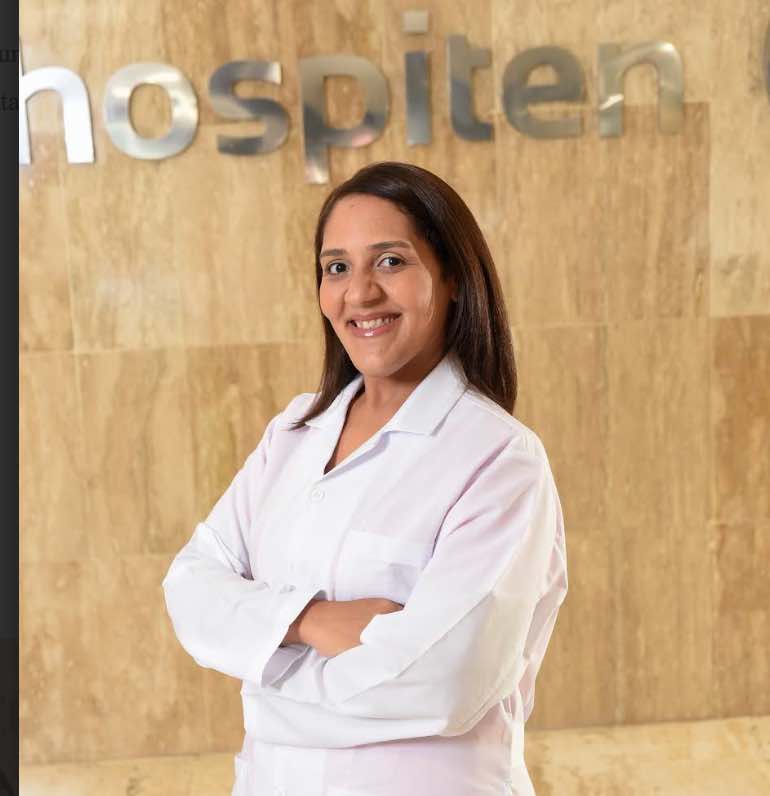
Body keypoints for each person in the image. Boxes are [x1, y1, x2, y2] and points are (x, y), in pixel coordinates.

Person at [162, 161, 568, 796]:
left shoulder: (499, 458)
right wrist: (308, 620)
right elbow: (190, 588)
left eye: (390, 261)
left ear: (453, 278)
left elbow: (444, 682)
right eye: (337, 267)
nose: (359, 293)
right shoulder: (294, 431)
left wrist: (263, 682)